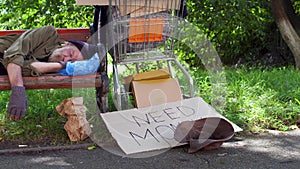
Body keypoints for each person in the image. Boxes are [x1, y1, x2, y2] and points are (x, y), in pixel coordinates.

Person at [0, 25, 99, 121]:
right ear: (67, 44)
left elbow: (26, 68)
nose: (66, 59)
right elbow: (12, 54)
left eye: (71, 62)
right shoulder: (48, 34)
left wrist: (62, 66)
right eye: (70, 53)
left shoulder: (55, 68)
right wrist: (18, 89)